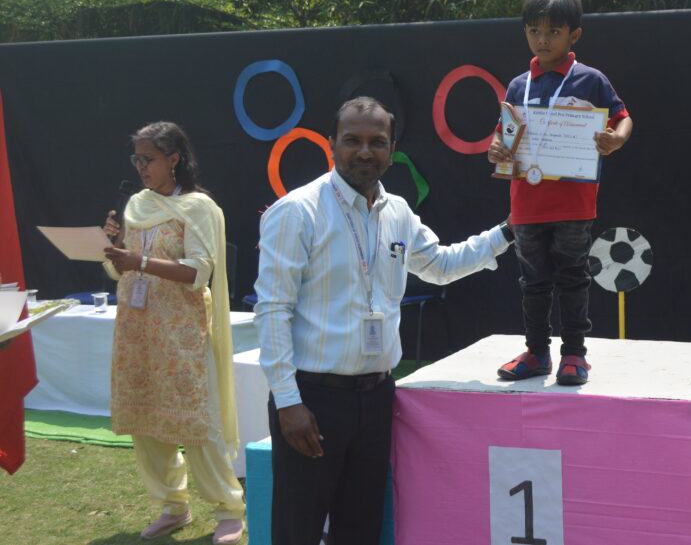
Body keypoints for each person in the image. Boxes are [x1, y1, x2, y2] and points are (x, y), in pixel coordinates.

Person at [254, 97, 514, 545]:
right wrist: (287, 402)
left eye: (377, 142)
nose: (364, 151)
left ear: (392, 149)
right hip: (313, 400)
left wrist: (508, 231)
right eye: (352, 140)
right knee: (298, 530)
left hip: (376, 398)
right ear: (332, 144)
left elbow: (440, 265)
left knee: (361, 529)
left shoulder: (397, 212)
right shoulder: (298, 211)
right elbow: (273, 308)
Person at [102, 121, 245, 545]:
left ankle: (228, 509)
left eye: (148, 159)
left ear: (174, 159)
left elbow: (199, 272)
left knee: (197, 422)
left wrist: (140, 263)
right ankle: (172, 506)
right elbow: (119, 270)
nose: (141, 167)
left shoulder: (198, 207)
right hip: (137, 330)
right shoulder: (137, 205)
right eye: (137, 159)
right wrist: (112, 248)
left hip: (183, 330)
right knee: (145, 420)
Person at [488, 0, 633, 386]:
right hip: (527, 203)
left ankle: (574, 354)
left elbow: (623, 118)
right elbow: (504, 135)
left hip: (573, 201)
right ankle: (536, 352)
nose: (543, 39)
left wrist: (617, 139)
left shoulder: (590, 80)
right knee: (532, 281)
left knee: (572, 277)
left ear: (574, 35)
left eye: (553, 31)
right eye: (534, 30)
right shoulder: (518, 86)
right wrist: (495, 149)